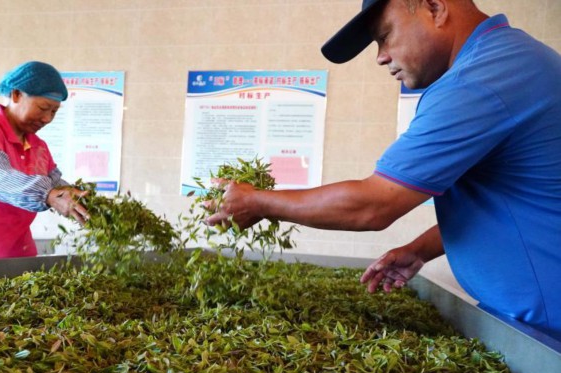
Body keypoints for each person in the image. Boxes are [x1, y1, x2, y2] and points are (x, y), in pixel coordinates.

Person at [205, 0, 561, 338]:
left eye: (385, 36)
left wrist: (258, 202)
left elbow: (373, 204)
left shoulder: (478, 81)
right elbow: (514, 203)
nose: (381, 57)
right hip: (528, 319)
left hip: (548, 330)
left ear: (434, 7)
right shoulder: (510, 60)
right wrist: (420, 249)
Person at [0, 61, 88, 260]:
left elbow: (56, 185)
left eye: (54, 112)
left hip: (20, 255)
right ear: (16, 95)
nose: (47, 118)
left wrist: (85, 202)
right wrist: (49, 195)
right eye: (43, 108)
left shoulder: (38, 145)